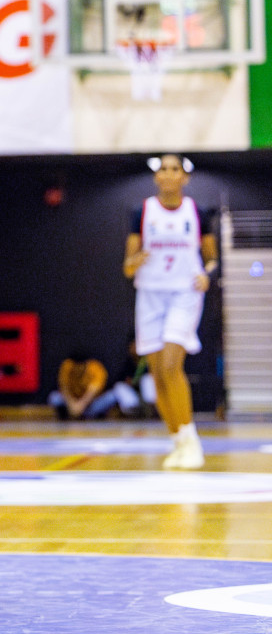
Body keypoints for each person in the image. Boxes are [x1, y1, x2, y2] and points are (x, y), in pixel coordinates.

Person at [123, 154, 217, 470]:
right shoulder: (142, 212)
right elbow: (128, 265)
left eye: (174, 168)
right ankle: (178, 441)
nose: (168, 173)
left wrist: (208, 274)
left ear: (184, 178)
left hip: (183, 293)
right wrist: (135, 262)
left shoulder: (197, 212)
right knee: (158, 374)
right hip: (150, 294)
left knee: (171, 364)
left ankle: (192, 441)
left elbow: (212, 259)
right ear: (156, 178)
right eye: (163, 168)